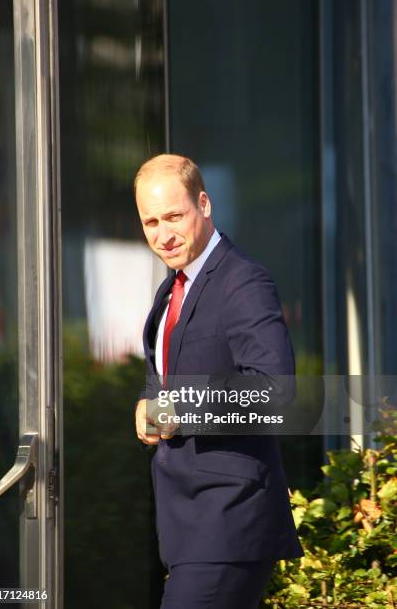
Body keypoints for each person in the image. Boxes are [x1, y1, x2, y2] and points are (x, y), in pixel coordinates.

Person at [134, 154, 303, 609]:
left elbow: (273, 390)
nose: (163, 234)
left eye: (174, 216)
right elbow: (169, 377)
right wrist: (149, 405)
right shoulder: (171, 288)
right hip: (186, 524)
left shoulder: (243, 281)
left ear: (204, 204)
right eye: (150, 222)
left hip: (231, 518)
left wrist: (178, 408)